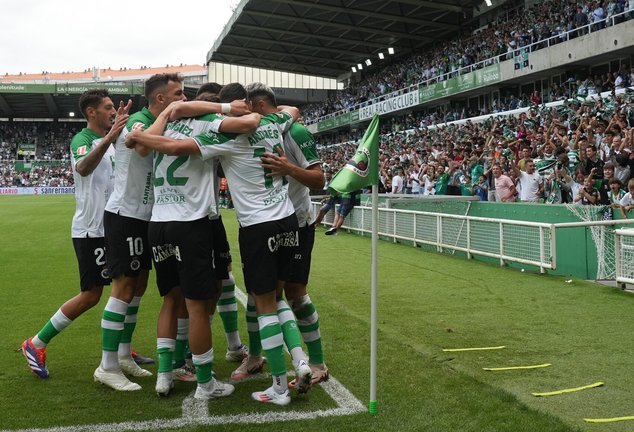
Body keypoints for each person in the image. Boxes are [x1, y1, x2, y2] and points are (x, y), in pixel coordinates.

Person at [126, 83, 311, 406]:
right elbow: (284, 114)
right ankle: (293, 363)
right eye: (179, 95)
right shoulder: (258, 124)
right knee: (267, 301)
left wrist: (143, 132)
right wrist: (243, 111)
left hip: (168, 222)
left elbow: (162, 147)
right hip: (279, 219)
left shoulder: (187, 129)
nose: (182, 99)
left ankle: (172, 374)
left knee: (177, 301)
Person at [127, 95, 255, 399]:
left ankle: (164, 374)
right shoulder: (207, 124)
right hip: (190, 222)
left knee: (170, 301)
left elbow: (142, 144)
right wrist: (231, 109)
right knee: (197, 306)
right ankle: (205, 383)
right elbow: (248, 124)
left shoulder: (162, 129)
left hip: (158, 224)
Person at [22, 89, 129, 380]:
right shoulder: (83, 140)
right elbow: (82, 168)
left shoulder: (114, 141)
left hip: (111, 227)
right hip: (90, 230)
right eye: (107, 107)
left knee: (127, 285)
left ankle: (122, 349)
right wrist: (109, 139)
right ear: (91, 112)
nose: (112, 111)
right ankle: (36, 342)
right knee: (91, 294)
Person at [95, 74, 186, 391]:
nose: (183, 98)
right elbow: (143, 148)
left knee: (139, 286)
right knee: (123, 287)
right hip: (125, 215)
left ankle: (123, 356)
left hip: (146, 218)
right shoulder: (138, 121)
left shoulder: (160, 120)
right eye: (178, 93)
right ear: (160, 99)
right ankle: (106, 366)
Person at [245, 82, 329, 387]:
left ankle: (317, 361)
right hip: (266, 222)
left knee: (293, 293)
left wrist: (288, 168)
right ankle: (255, 355)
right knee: (260, 292)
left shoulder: (296, 132)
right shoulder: (255, 131)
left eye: (246, 106)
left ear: (256, 105)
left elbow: (319, 180)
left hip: (297, 222)